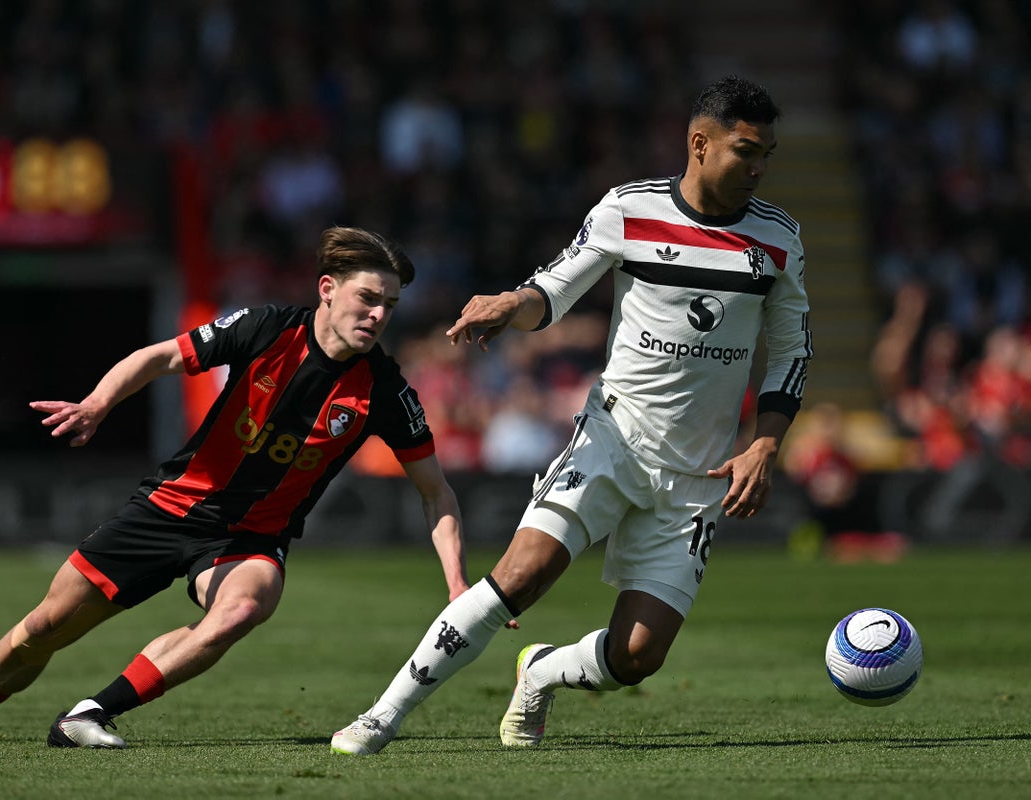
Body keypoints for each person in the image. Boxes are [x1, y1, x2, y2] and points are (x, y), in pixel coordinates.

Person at [330, 75, 812, 755]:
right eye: (745, 151)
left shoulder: (779, 239)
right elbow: (551, 292)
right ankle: (381, 716)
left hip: (699, 471)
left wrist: (766, 445)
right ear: (698, 144)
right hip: (613, 439)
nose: (759, 167)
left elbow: (793, 353)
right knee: (521, 576)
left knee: (639, 657)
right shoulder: (628, 210)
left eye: (766, 154)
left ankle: (542, 671)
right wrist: (510, 303)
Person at [0, 226, 470, 748]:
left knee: (245, 606)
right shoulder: (264, 328)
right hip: (170, 507)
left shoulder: (386, 390)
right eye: (368, 298)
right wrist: (97, 404)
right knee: (45, 628)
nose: (379, 315)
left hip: (251, 535)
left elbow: (435, 492)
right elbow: (161, 357)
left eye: (390, 304)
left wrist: (455, 583)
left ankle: (88, 716)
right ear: (328, 291)